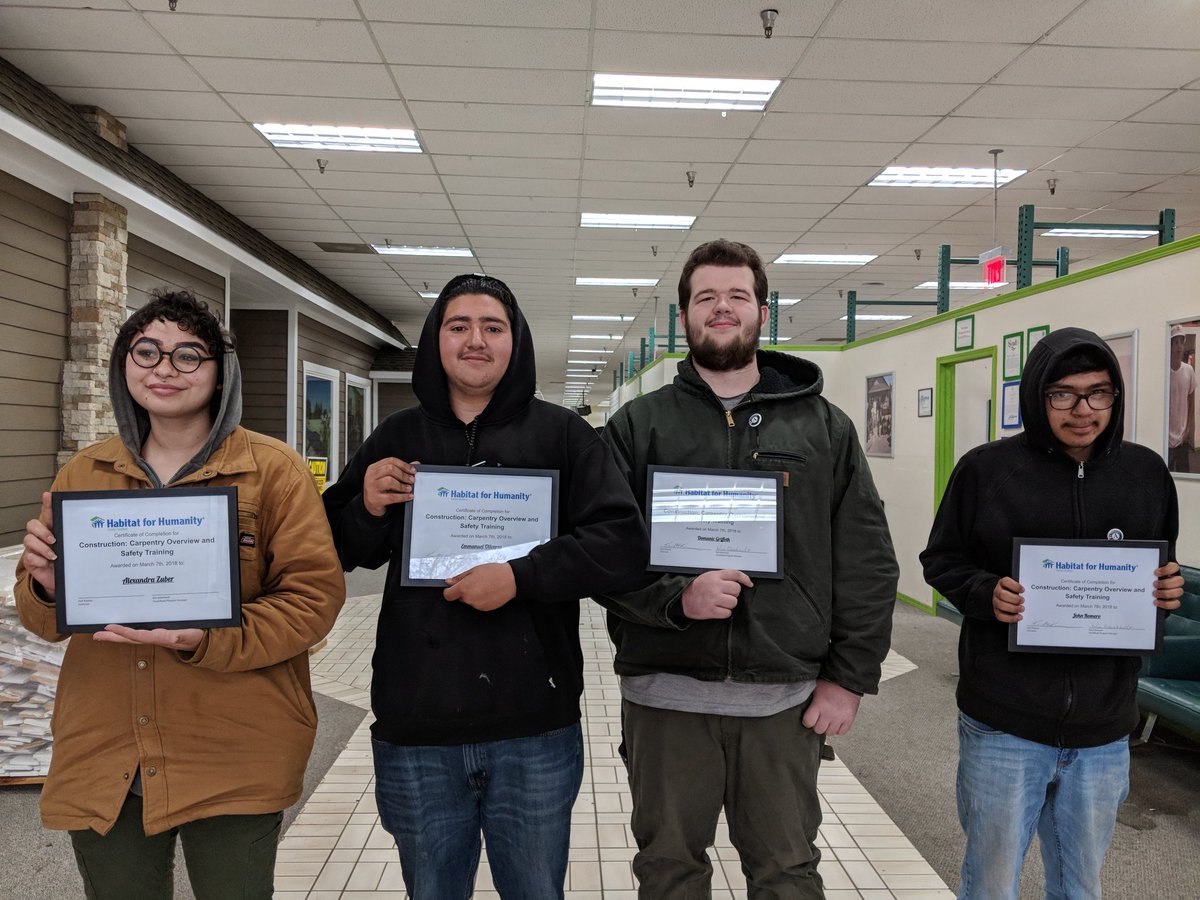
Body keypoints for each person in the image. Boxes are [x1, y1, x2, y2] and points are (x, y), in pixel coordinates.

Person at [321, 273, 649, 899]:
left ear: (515, 341)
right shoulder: (397, 436)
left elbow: (621, 546)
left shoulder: (564, 437)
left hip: (534, 721)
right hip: (418, 719)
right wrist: (366, 504)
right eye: (459, 326)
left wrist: (521, 577)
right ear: (435, 340)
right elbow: (341, 549)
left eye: (492, 327)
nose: (476, 340)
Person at [15, 290, 346, 899]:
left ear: (221, 374)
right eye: (147, 351)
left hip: (232, 747)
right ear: (124, 365)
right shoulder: (84, 474)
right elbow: (42, 619)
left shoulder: (273, 471)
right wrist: (45, 586)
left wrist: (205, 635)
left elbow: (313, 601)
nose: (164, 368)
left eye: (188, 355)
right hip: (107, 747)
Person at [597, 239, 899, 898]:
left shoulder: (825, 428)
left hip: (784, 700)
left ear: (763, 311)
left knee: (787, 872)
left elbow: (868, 562)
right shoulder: (637, 426)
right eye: (706, 297)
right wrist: (675, 599)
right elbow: (600, 555)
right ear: (685, 317)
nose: (723, 308)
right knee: (669, 870)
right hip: (665, 696)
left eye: (738, 296)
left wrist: (849, 677)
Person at [920, 327, 1184, 900]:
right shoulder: (986, 471)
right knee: (991, 882)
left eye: (1100, 393)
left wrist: (1166, 589)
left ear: (1116, 396)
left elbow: (1160, 567)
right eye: (1063, 394)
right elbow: (940, 560)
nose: (1083, 410)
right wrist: (986, 592)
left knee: (1080, 884)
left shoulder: (1146, 475)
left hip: (1104, 725)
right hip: (1005, 720)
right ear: (1036, 396)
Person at [1167, 324, 1196, 473]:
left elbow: (1191, 400)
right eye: (1174, 342)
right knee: (1167, 475)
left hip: (1183, 435)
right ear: (1169, 344)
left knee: (1185, 472)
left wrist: (1188, 429)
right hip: (1166, 437)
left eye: (1181, 342)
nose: (1178, 347)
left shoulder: (1189, 370)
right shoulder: (1164, 372)